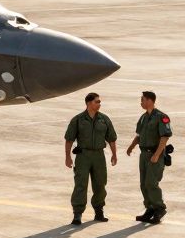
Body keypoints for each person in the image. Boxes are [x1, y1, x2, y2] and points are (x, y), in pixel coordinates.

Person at [63, 92, 117, 225]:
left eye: (99, 102)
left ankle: (99, 211)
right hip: (83, 156)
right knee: (80, 184)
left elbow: (111, 138)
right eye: (97, 102)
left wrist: (114, 154)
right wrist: (68, 157)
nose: (99, 104)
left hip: (99, 155)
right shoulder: (78, 120)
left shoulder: (104, 119)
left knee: (100, 184)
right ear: (88, 103)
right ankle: (77, 214)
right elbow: (69, 139)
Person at [126, 90, 173, 224]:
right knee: (143, 184)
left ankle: (159, 208)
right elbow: (139, 135)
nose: (141, 102)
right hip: (144, 154)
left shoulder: (161, 117)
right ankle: (150, 208)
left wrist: (157, 155)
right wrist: (132, 146)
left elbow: (164, 137)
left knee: (151, 183)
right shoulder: (143, 117)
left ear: (150, 101)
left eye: (143, 100)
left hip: (154, 154)